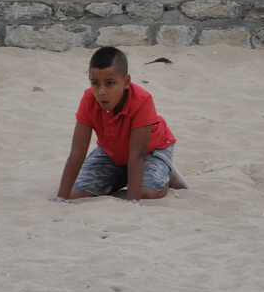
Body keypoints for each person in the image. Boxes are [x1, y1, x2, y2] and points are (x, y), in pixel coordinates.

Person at [54, 46, 188, 202]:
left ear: (126, 82)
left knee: (147, 193)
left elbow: (137, 154)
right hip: (112, 153)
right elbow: (77, 152)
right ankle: (125, 175)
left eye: (110, 83)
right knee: (74, 192)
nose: (101, 91)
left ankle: (166, 170)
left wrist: (132, 201)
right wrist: (61, 198)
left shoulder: (142, 100)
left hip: (150, 151)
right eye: (95, 83)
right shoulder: (89, 99)